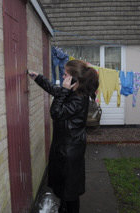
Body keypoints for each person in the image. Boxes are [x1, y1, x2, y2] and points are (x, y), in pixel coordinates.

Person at [28, 60, 99, 213]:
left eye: (65, 74)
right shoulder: (74, 91)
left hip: (70, 151)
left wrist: (65, 91)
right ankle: (63, 208)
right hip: (65, 147)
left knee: (70, 191)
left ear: (74, 79)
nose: (63, 75)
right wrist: (38, 78)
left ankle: (69, 209)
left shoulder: (79, 98)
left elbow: (56, 112)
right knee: (64, 187)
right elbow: (56, 90)